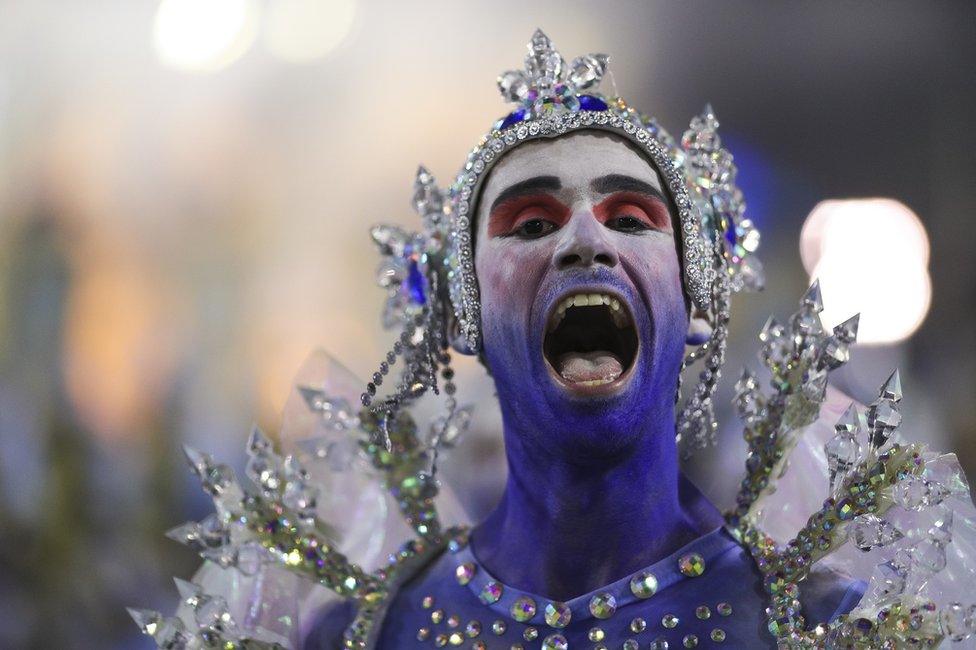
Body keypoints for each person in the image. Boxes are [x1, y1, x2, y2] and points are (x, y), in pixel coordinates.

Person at [130, 30, 976, 649]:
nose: (584, 242)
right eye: (531, 220)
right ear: (461, 314)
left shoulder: (830, 628)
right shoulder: (363, 635)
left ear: (699, 299)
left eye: (630, 217)